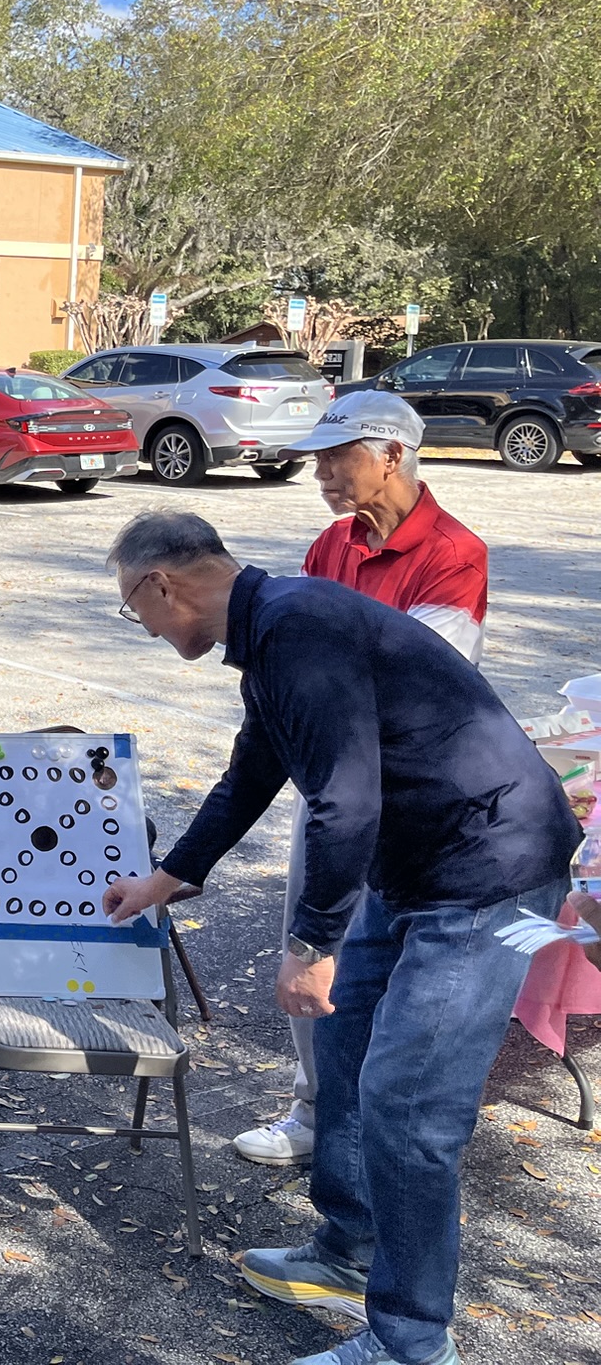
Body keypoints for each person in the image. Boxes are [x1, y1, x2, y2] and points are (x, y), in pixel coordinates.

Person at [101, 511, 579, 1365]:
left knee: (410, 1107)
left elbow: (344, 801)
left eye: (132, 611)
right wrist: (165, 880)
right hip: (416, 866)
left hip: (486, 871)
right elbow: (252, 773)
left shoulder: (296, 628)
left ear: (159, 585)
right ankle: (350, 1248)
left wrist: (311, 945)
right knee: (346, 1045)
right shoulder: (273, 630)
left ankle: (411, 1341)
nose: (141, 628)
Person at [233, 392, 490, 1169]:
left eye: (336, 457)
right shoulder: (331, 545)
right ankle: (315, 1110)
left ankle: (373, 1128)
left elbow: (420, 682)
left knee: (380, 963)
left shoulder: (453, 553)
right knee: (309, 943)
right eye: (316, 459)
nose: (321, 473)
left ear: (392, 456)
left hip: (409, 799)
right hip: (334, 785)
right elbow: (302, 662)